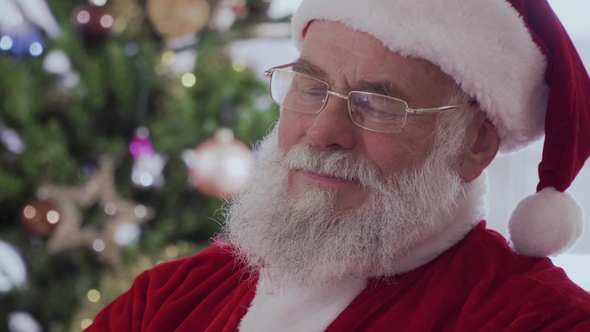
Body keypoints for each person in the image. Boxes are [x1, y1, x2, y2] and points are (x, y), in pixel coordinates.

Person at [87, 0, 590, 330]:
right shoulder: (171, 298)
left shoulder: (533, 320)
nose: (324, 131)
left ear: (475, 143)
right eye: (310, 88)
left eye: (378, 103)